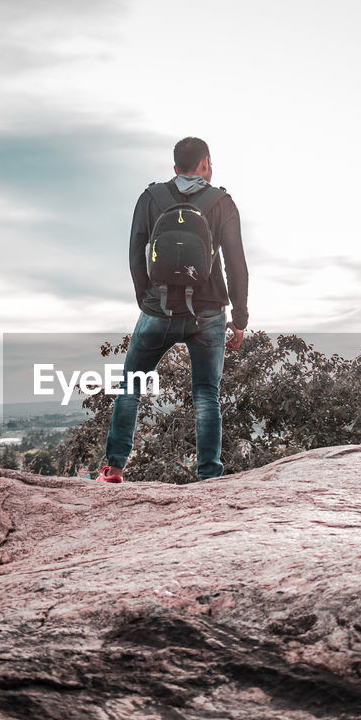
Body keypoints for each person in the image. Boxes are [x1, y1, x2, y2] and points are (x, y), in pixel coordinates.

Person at [99, 137, 249, 482]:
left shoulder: (150, 198)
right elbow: (235, 264)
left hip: (158, 310)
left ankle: (114, 469)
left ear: (175, 167)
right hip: (208, 314)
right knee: (206, 394)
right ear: (206, 163)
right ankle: (209, 476)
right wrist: (239, 318)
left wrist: (146, 302)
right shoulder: (222, 203)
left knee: (131, 386)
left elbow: (136, 253)